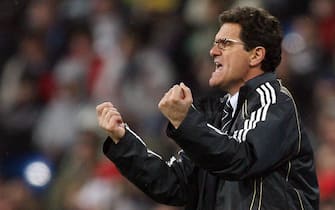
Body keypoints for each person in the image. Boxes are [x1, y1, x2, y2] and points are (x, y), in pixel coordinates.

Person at [96, 6, 319, 210]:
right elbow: (174, 185)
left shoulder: (274, 100)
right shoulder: (217, 116)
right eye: (215, 43)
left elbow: (241, 158)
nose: (213, 51)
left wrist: (187, 121)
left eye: (226, 44)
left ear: (255, 55)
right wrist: (123, 141)